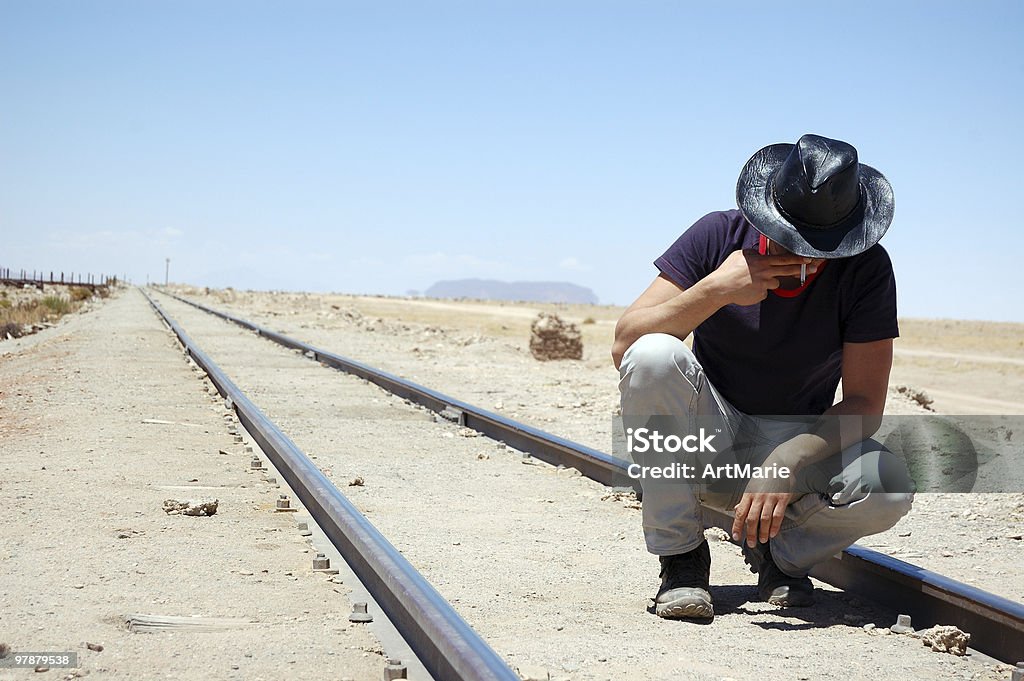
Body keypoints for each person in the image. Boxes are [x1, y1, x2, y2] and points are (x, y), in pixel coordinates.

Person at [613, 134, 915, 620]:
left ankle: (780, 555)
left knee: (890, 482)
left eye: (823, 247)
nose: (806, 258)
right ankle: (682, 558)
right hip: (708, 438)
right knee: (653, 355)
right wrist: (715, 290)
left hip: (796, 444)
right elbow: (625, 344)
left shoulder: (868, 270)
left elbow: (864, 403)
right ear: (763, 216)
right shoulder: (716, 236)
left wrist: (790, 459)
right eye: (790, 240)